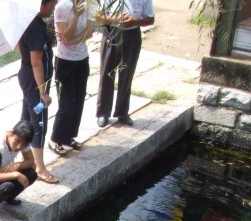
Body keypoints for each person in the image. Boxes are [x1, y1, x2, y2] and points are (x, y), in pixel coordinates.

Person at [94, 0, 155, 128]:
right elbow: (98, 16)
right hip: (112, 32)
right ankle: (103, 113)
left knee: (127, 74)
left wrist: (135, 21)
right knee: (107, 73)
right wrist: (116, 19)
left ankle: (122, 112)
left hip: (132, 34)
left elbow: (150, 19)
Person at [18, 0, 60, 184]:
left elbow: (19, 47)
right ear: (40, 5)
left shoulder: (29, 21)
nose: (53, 8)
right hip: (34, 81)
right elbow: (36, 62)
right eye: (51, 5)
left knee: (26, 119)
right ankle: (40, 168)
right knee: (39, 121)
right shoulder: (34, 26)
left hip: (30, 78)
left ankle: (26, 158)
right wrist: (43, 92)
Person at [49, 0, 94, 155]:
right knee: (66, 102)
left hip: (82, 58)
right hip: (65, 61)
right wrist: (75, 16)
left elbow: (90, 30)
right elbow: (66, 36)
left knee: (79, 99)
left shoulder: (86, 5)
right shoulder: (62, 7)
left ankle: (68, 136)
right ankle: (55, 138)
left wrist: (77, 39)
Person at [0, 121, 38, 219]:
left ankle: (8, 197)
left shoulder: (22, 141)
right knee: (7, 187)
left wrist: (16, 165)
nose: (18, 147)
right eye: (17, 141)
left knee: (32, 173)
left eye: (24, 144)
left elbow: (31, 161)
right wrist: (16, 174)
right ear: (10, 133)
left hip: (3, 173)